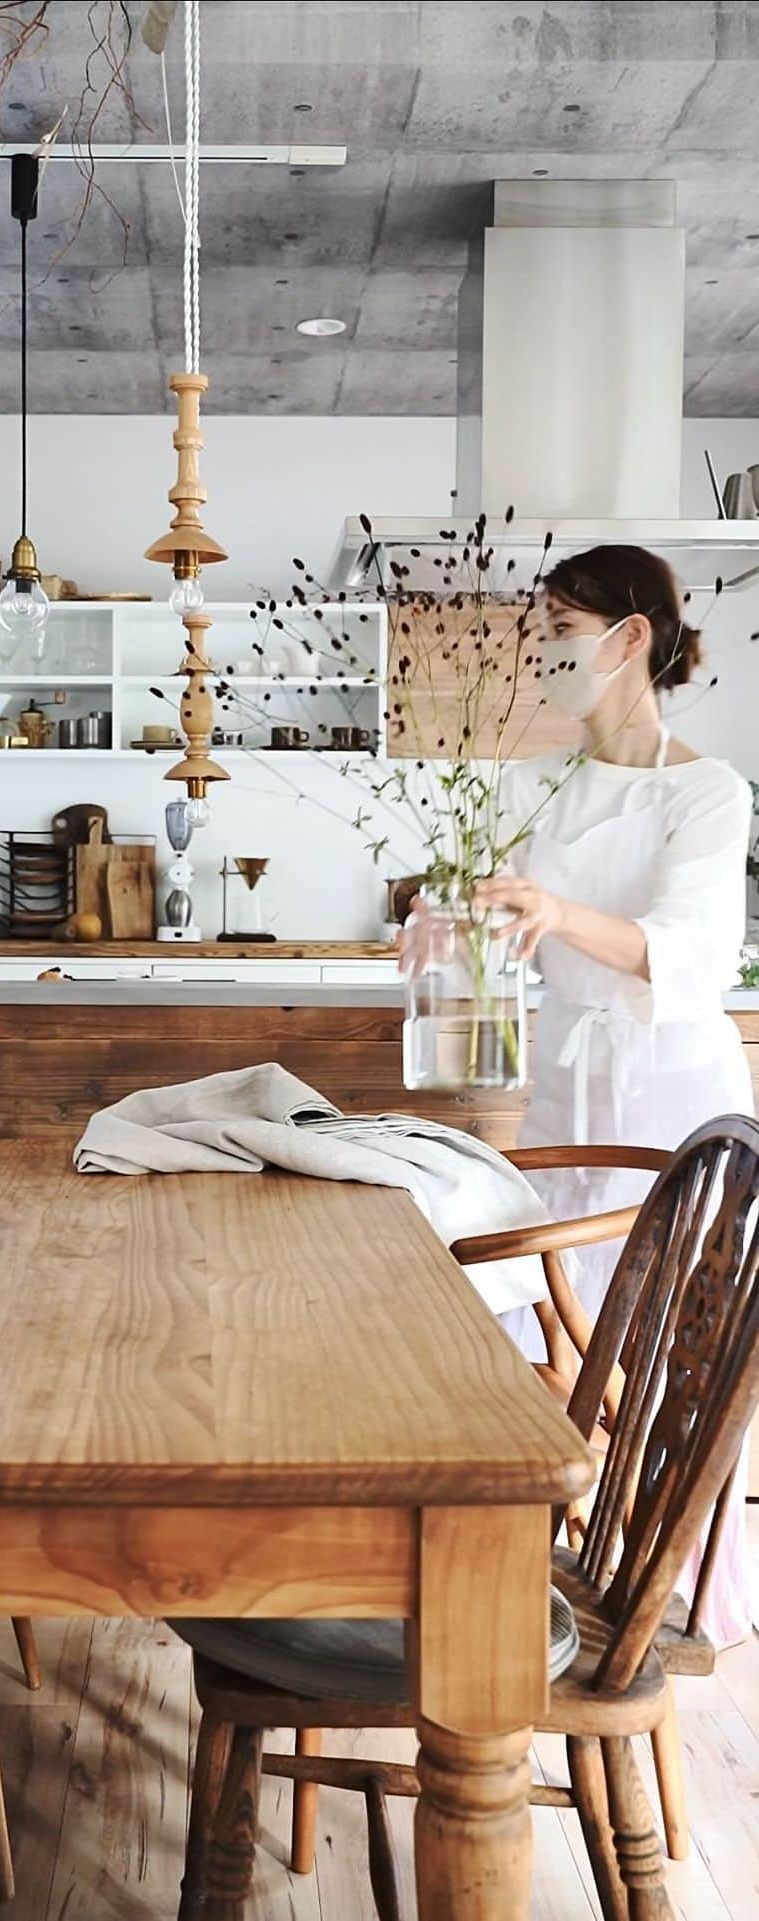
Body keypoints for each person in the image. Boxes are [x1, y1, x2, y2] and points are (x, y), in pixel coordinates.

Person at [479, 542, 754, 1645]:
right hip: (564, 1091)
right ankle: (536, 1555)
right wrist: (450, 935)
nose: (545, 654)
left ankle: (668, 1579)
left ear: (628, 637)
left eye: (558, 631)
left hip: (667, 1096)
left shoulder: (709, 789)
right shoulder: (539, 782)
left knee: (670, 1351)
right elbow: (511, 919)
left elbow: (690, 952)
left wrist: (550, 911)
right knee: (545, 1327)